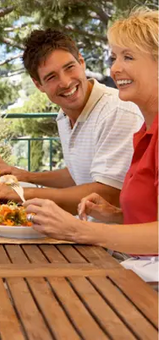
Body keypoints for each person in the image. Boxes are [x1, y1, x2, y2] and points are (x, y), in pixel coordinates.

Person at [24, 9, 158, 282]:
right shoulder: (145, 132)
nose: (115, 68)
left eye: (128, 57)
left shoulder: (123, 115)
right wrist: (114, 216)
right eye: (114, 57)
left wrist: (77, 229)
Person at [0, 29, 144, 214]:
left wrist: (22, 193)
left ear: (81, 62)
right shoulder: (63, 116)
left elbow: (108, 193)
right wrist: (26, 175)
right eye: (51, 77)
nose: (65, 82)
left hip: (110, 239)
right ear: (38, 85)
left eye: (69, 67)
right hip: (83, 231)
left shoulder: (117, 111)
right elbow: (78, 174)